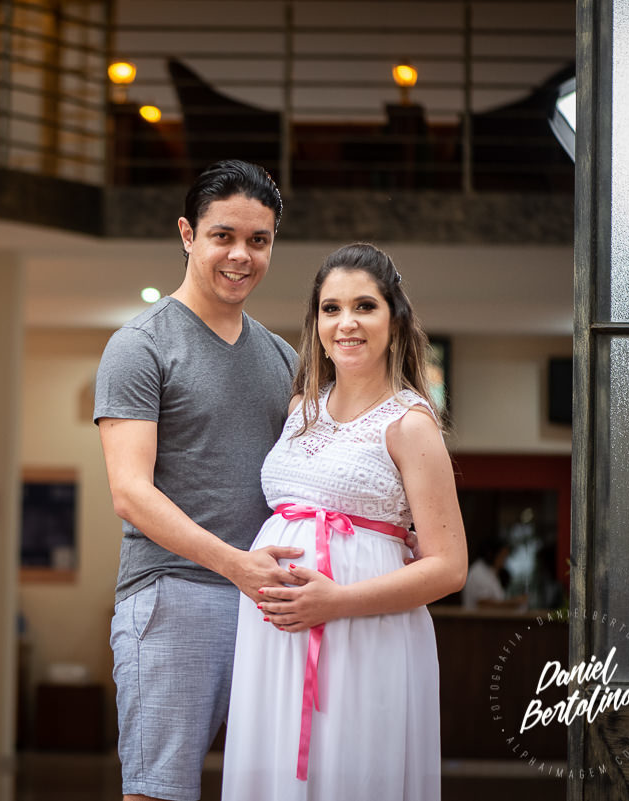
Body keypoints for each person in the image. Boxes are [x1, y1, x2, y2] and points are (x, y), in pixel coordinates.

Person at [223, 243, 468, 801]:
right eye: (331, 309)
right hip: (276, 638)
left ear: (394, 320)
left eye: (364, 306)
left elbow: (450, 567)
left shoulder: (410, 424)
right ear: (316, 323)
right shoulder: (299, 411)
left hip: (363, 633)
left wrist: (335, 602)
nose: (346, 322)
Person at [93, 159, 302, 801]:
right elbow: (130, 492)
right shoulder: (140, 347)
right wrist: (235, 565)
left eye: (258, 240)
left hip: (267, 604)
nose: (241, 255)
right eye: (223, 236)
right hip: (174, 596)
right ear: (187, 234)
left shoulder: (283, 357)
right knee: (159, 793)